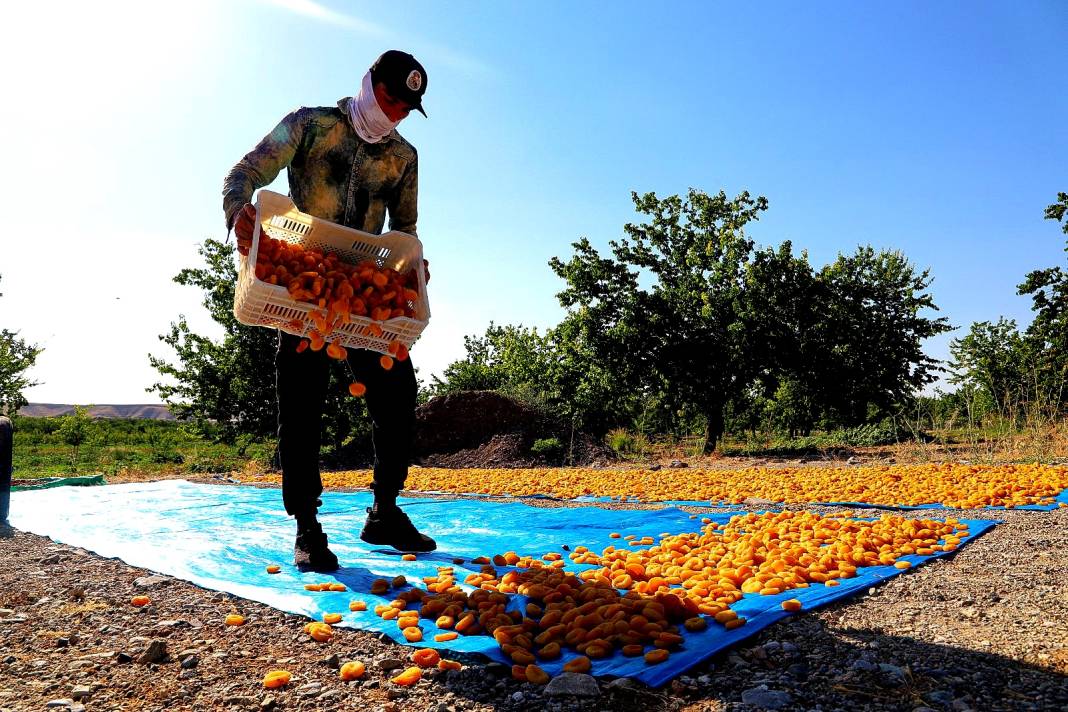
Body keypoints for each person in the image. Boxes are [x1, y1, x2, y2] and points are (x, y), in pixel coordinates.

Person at [223, 50, 436, 572]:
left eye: (407, 109)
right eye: (390, 100)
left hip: (362, 293)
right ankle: (307, 527)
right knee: (301, 403)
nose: (396, 114)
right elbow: (246, 172)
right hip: (304, 290)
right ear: (368, 85)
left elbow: (404, 229)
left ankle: (384, 511)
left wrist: (414, 265)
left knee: (398, 396)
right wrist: (239, 212)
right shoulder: (312, 126)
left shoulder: (402, 158)